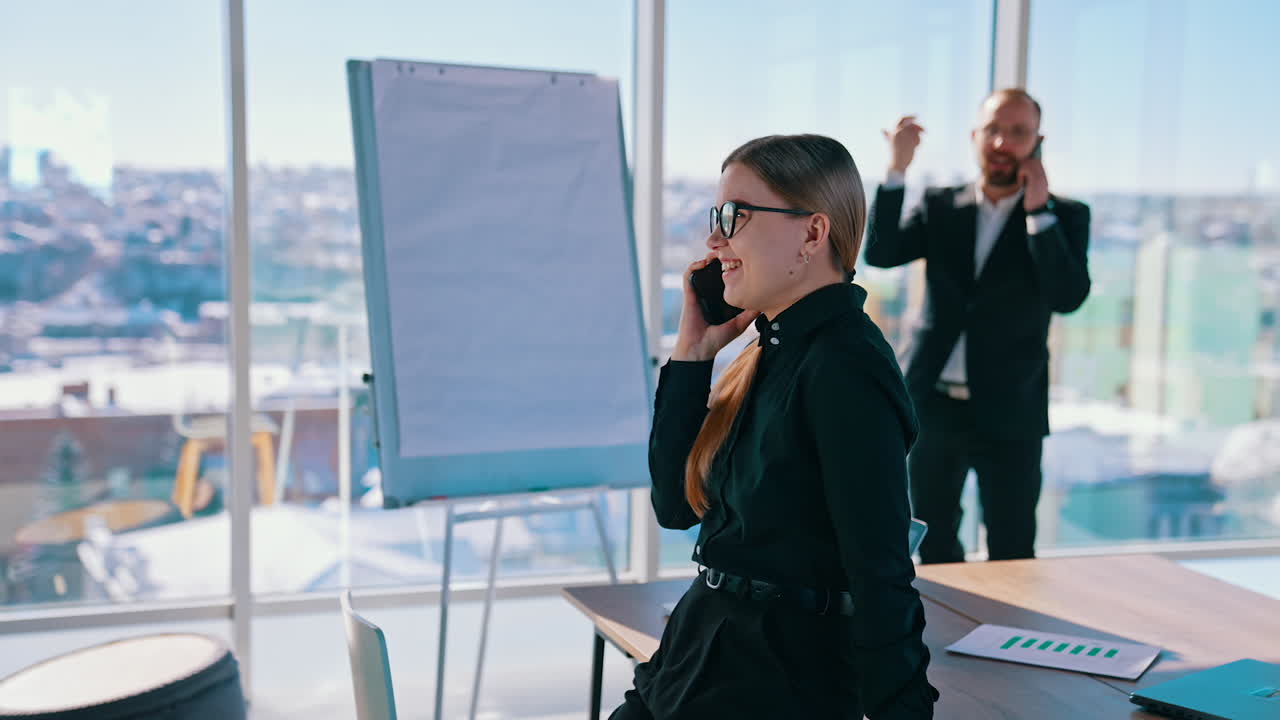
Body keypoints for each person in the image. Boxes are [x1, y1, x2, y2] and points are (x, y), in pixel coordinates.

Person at [612, 134, 938, 719]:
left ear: (812, 234)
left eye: (734, 217)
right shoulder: (766, 352)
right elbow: (674, 507)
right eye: (717, 216)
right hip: (692, 660)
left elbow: (880, 573)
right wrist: (692, 353)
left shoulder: (846, 366)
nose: (714, 240)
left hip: (769, 684)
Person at [865, 89, 1091, 564]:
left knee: (1011, 548)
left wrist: (1038, 210)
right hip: (932, 405)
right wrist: (897, 169)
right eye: (993, 130)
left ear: (1037, 142)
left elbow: (1067, 297)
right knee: (934, 544)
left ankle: (1008, 639)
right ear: (975, 136)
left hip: (1012, 413)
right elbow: (881, 254)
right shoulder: (941, 204)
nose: (1003, 142)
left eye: (1018, 132)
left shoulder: (1065, 216)